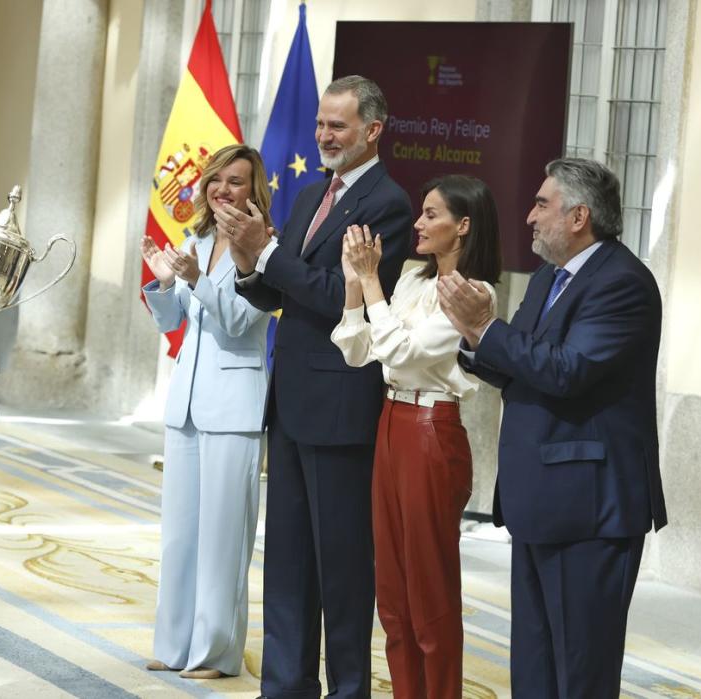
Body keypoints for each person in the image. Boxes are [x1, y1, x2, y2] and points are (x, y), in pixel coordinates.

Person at [437, 158, 667, 698]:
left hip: (589, 509)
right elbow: (523, 359)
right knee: (536, 668)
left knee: (580, 671)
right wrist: (472, 340)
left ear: (578, 216)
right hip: (541, 501)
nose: (529, 217)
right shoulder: (549, 277)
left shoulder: (623, 284)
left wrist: (486, 327)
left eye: (543, 204)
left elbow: (568, 371)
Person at [219, 75, 414, 699]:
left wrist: (269, 255)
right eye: (321, 125)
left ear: (372, 132)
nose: (323, 135)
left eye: (338, 127)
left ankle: (349, 688)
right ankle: (284, 687)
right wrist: (249, 264)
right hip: (294, 401)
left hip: (343, 406)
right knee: (288, 562)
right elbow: (281, 292)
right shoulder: (308, 195)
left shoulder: (389, 205)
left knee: (343, 566)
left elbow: (343, 300)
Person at [332, 175, 502, 699]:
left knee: (430, 593)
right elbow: (358, 350)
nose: (419, 223)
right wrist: (354, 287)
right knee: (393, 593)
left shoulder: (474, 294)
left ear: (463, 225)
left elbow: (403, 354)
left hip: (432, 432)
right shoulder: (409, 278)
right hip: (390, 422)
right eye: (421, 213)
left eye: (432, 214)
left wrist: (372, 285)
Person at [140, 144, 273, 680]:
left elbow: (241, 323)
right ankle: (174, 645)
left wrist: (195, 279)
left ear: (253, 190)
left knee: (223, 538)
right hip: (187, 406)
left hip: (235, 409)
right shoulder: (194, 239)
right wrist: (163, 282)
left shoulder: (265, 248)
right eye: (216, 179)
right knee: (180, 535)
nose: (223, 189)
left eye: (236, 181)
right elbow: (174, 323)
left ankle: (216, 653)